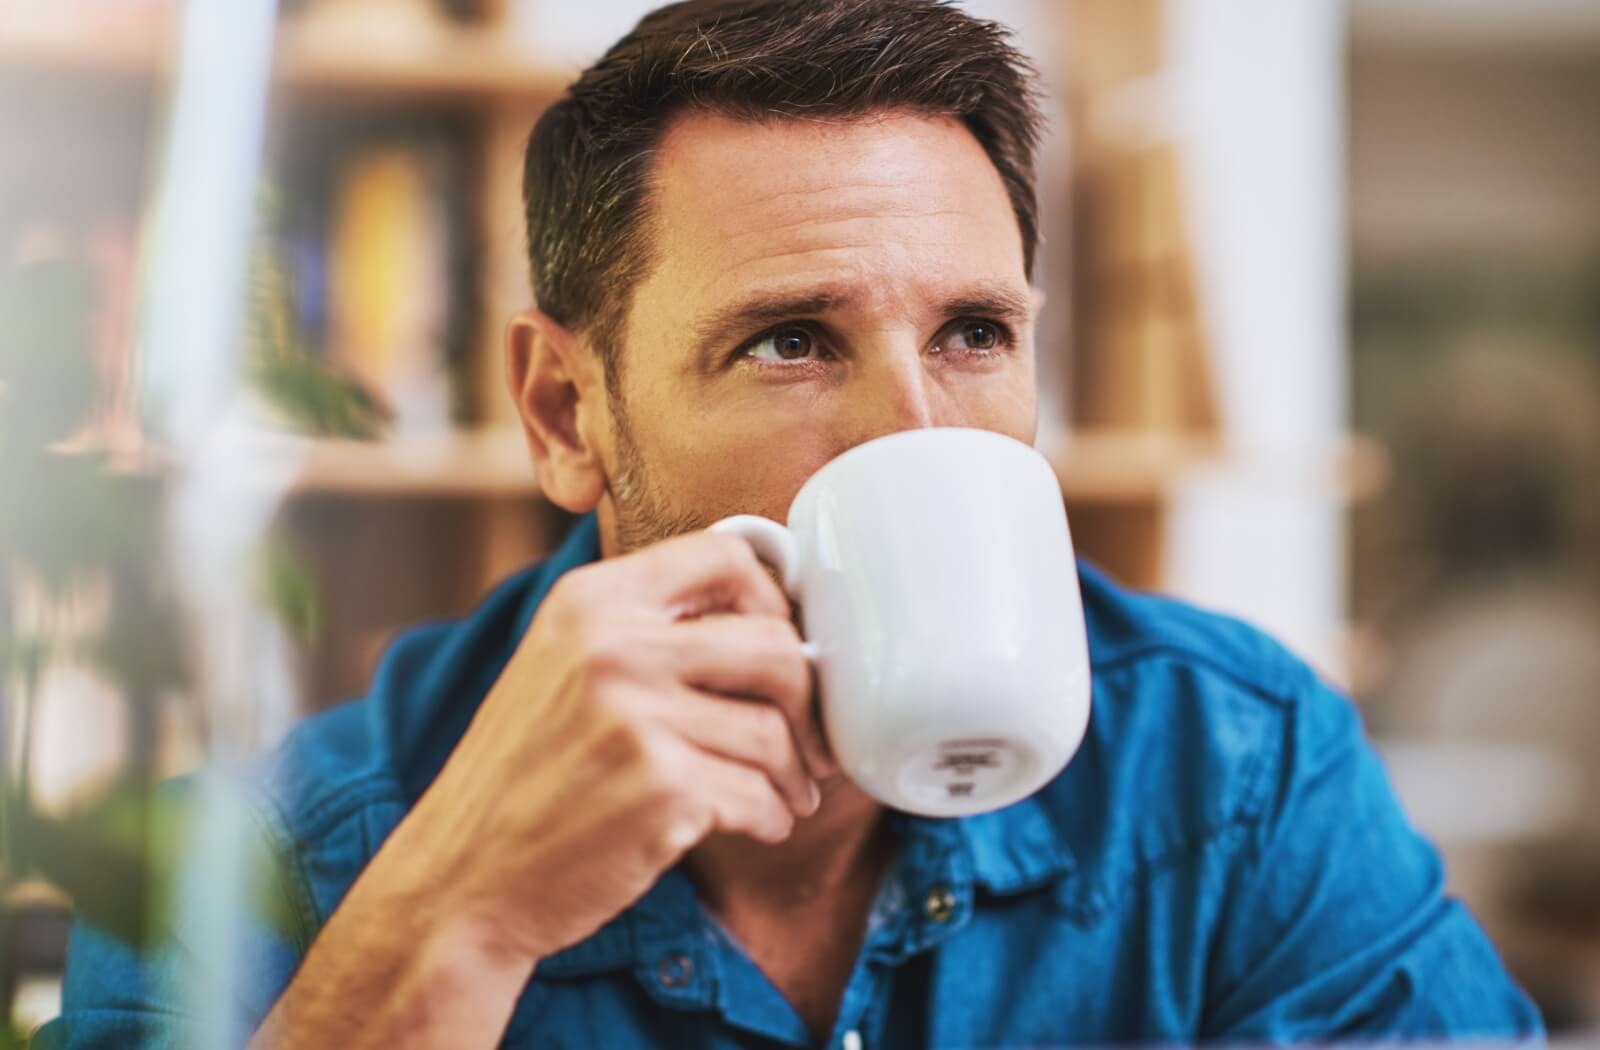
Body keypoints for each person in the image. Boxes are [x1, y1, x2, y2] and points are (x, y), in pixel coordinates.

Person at [45, 1, 1542, 1047]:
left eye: (972, 331)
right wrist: (459, 915)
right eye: (790, 341)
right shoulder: (254, 862)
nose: (921, 429)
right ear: (568, 414)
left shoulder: (1240, 770)